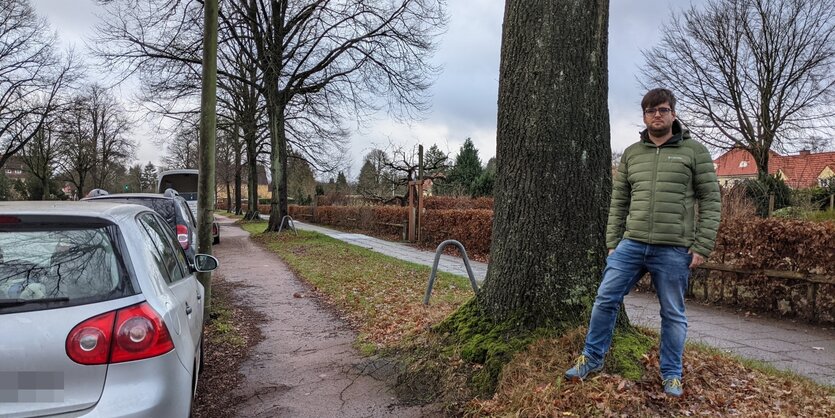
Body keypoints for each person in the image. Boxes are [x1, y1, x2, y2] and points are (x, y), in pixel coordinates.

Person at [564, 88, 721, 397]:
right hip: (631, 244)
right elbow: (619, 200)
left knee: (673, 313)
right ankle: (591, 358)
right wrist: (613, 241)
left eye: (662, 109)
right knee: (605, 298)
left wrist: (702, 245)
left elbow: (711, 199)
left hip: (674, 248)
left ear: (673, 113)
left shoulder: (694, 152)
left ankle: (672, 374)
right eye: (651, 111)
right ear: (644, 116)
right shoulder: (633, 154)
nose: (657, 115)